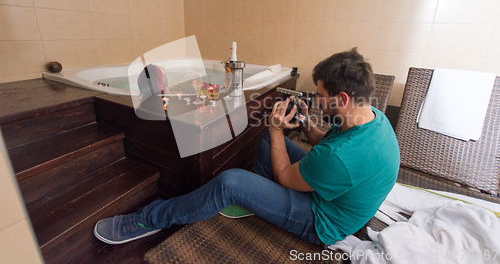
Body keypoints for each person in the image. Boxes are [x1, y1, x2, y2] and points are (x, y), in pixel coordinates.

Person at [94, 48, 400, 246]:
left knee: (231, 182)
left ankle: (148, 219)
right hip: (334, 190)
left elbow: (285, 176)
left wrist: (277, 128)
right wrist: (305, 123)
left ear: (343, 99)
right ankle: (262, 201)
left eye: (320, 96)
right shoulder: (372, 119)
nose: (316, 100)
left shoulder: (339, 158)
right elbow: (326, 141)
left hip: (322, 223)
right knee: (268, 140)